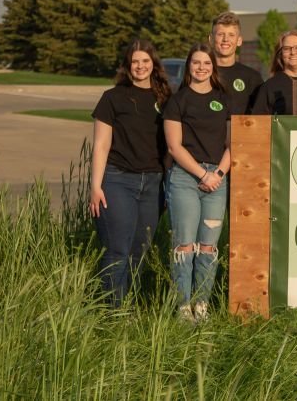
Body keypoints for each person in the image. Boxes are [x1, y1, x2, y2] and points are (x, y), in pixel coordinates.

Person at [89, 39, 172, 307]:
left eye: (145, 61)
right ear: (127, 65)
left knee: (139, 252)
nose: (140, 66)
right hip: (117, 180)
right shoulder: (112, 98)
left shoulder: (165, 98)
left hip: (153, 184)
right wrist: (95, 186)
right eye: (135, 61)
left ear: (153, 64)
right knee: (117, 250)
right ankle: (112, 313)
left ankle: (129, 308)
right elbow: (101, 145)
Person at [163, 43, 232, 323]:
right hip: (185, 178)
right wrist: (202, 175)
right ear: (188, 66)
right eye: (196, 62)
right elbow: (174, 147)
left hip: (217, 180)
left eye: (206, 63)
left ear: (213, 67)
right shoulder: (178, 101)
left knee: (207, 247)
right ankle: (183, 308)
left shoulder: (223, 99)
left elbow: (233, 144)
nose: (201, 68)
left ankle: (201, 305)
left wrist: (218, 174)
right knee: (185, 246)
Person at [209, 11, 263, 117]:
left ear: (239, 40)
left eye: (231, 35)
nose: (226, 39)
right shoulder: (200, 74)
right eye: (220, 34)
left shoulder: (252, 78)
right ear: (211, 39)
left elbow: (261, 117)